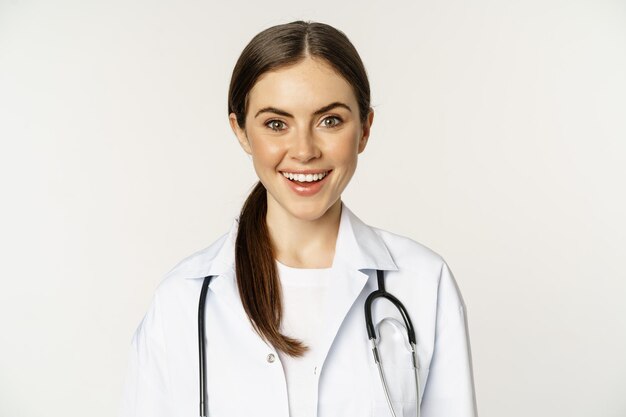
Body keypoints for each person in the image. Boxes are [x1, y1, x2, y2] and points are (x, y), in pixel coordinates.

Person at [119, 20, 478, 417]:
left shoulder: (423, 283)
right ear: (241, 131)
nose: (304, 151)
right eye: (276, 124)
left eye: (330, 121)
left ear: (365, 129)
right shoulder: (182, 300)